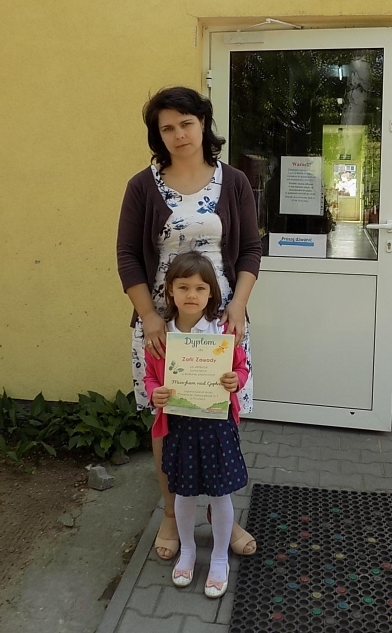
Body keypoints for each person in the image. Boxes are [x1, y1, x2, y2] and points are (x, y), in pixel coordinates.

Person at [116, 86, 261, 561]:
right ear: (158, 136)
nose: (179, 134)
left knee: (218, 417)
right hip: (162, 326)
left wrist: (237, 306)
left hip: (221, 324)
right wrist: (150, 317)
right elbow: (127, 256)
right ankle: (169, 514)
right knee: (168, 421)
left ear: (203, 124)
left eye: (186, 123)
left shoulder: (233, 182)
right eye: (167, 127)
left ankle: (223, 517)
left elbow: (250, 250)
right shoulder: (143, 186)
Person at [144, 251, 249, 597]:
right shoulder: (161, 336)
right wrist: (155, 392)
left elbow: (241, 367)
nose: (192, 294)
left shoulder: (222, 332)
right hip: (180, 429)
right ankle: (187, 551)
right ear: (170, 291)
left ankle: (219, 557)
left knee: (220, 494)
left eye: (200, 288)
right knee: (184, 495)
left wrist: (236, 380)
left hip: (216, 427)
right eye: (183, 287)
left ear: (211, 294)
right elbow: (150, 377)